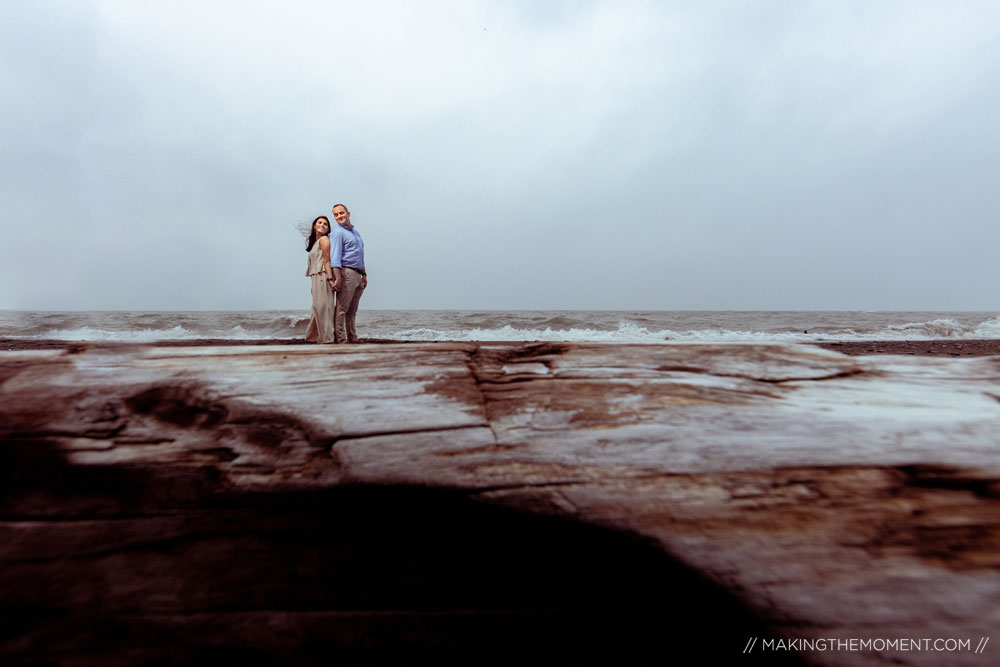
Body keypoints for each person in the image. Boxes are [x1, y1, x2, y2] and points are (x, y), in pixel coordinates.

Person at [329, 203, 367, 343]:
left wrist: (364, 274)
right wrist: (337, 278)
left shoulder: (356, 234)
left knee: (353, 311)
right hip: (347, 273)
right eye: (336, 214)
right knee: (342, 309)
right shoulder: (337, 233)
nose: (339, 216)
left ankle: (352, 338)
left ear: (348, 213)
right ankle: (340, 339)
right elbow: (335, 257)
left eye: (341, 213)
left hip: (358, 274)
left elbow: (360, 255)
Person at [304, 215, 337, 343]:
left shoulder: (324, 239)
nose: (322, 225)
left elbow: (326, 260)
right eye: (320, 222)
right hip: (316, 277)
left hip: (324, 275)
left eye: (325, 224)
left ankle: (327, 338)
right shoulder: (315, 243)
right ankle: (314, 336)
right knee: (317, 307)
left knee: (324, 307)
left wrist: (330, 279)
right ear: (314, 225)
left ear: (328, 228)